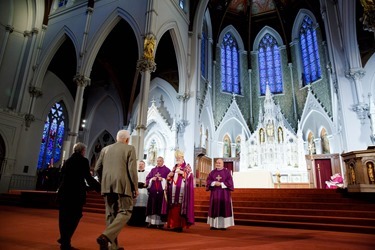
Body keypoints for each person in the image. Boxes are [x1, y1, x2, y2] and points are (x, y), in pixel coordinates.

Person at [94, 130, 138, 250]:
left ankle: (111, 247)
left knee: (110, 214)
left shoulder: (105, 149)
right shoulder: (130, 149)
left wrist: (104, 180)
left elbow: (97, 168)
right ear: (127, 139)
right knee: (126, 211)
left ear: (117, 138)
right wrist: (135, 187)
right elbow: (132, 170)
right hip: (123, 185)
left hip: (107, 185)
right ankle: (106, 236)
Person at [57, 142, 101, 250]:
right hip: (76, 194)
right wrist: (100, 188)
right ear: (82, 151)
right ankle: (65, 242)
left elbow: (62, 176)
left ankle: (64, 238)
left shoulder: (67, 161)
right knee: (75, 216)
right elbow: (88, 178)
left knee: (63, 217)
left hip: (64, 192)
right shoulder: (83, 161)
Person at [165, 150, 195, 232]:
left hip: (182, 189)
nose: (178, 159)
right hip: (174, 189)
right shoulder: (174, 167)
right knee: (173, 207)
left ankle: (179, 225)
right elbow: (171, 178)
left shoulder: (187, 166)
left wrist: (183, 173)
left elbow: (190, 177)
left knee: (179, 207)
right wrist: (169, 177)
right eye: (177, 158)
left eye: (179, 158)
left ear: (182, 158)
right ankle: (173, 224)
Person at [206, 158, 234, 230]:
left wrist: (221, 184)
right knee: (214, 208)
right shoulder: (212, 172)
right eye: (217, 163)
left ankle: (223, 225)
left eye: (219, 163)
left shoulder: (227, 172)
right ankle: (214, 225)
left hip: (224, 194)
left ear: (223, 164)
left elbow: (230, 182)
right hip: (215, 193)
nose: (218, 164)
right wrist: (214, 183)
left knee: (223, 208)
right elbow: (208, 181)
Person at [145, 156, 170, 229]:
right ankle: (151, 222)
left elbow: (169, 181)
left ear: (163, 162)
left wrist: (163, 179)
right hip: (153, 191)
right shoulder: (153, 170)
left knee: (159, 207)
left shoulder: (167, 170)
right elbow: (147, 178)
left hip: (161, 192)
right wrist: (151, 179)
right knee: (152, 207)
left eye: (160, 161)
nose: (158, 162)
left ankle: (160, 223)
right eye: (157, 161)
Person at [127, 160, 149, 227]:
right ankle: (133, 221)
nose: (141, 165)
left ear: (144, 165)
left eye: (142, 164)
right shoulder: (134, 173)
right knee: (135, 207)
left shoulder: (148, 173)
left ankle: (142, 222)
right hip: (136, 191)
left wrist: (145, 184)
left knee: (143, 207)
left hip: (144, 191)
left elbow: (148, 181)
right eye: (139, 164)